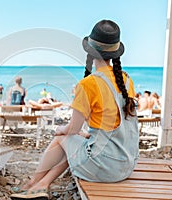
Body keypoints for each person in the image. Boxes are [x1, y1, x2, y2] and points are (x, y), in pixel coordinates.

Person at [10, 20, 139, 200]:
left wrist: (60, 130)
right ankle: (41, 185)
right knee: (72, 144)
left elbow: (73, 129)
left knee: (62, 138)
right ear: (115, 52)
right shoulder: (126, 80)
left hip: (103, 168)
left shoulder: (89, 84)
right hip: (126, 165)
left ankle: (32, 184)